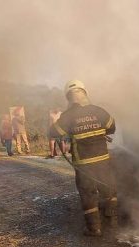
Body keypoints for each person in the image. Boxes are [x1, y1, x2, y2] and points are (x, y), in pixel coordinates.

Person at [52, 79, 118, 236]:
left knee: (88, 194)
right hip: (103, 159)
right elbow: (112, 127)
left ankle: (94, 229)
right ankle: (112, 220)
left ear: (69, 97)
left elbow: (54, 133)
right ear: (85, 93)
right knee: (108, 188)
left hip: (84, 164)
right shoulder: (98, 111)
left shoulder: (68, 116)